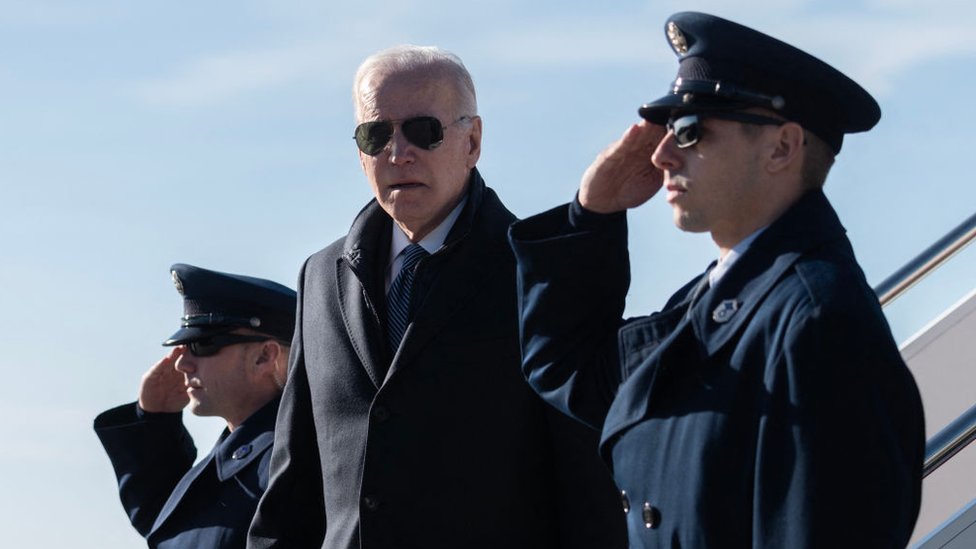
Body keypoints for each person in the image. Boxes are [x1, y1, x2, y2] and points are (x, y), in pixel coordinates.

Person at [507, 12, 925, 548]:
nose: (661, 154)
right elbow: (572, 373)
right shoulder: (718, 301)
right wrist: (591, 217)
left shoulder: (817, 322)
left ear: (781, 147)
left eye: (690, 129)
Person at [247, 45, 626, 549]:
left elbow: (587, 493)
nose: (398, 153)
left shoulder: (535, 274)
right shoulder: (320, 277)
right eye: (376, 134)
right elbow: (293, 488)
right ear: (359, 152)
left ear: (472, 142)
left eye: (424, 131)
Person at [94, 263, 296, 548]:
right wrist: (155, 422)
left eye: (203, 345)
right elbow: (170, 526)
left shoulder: (294, 459)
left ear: (264, 356)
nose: (181, 363)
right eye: (183, 348)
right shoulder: (246, 454)